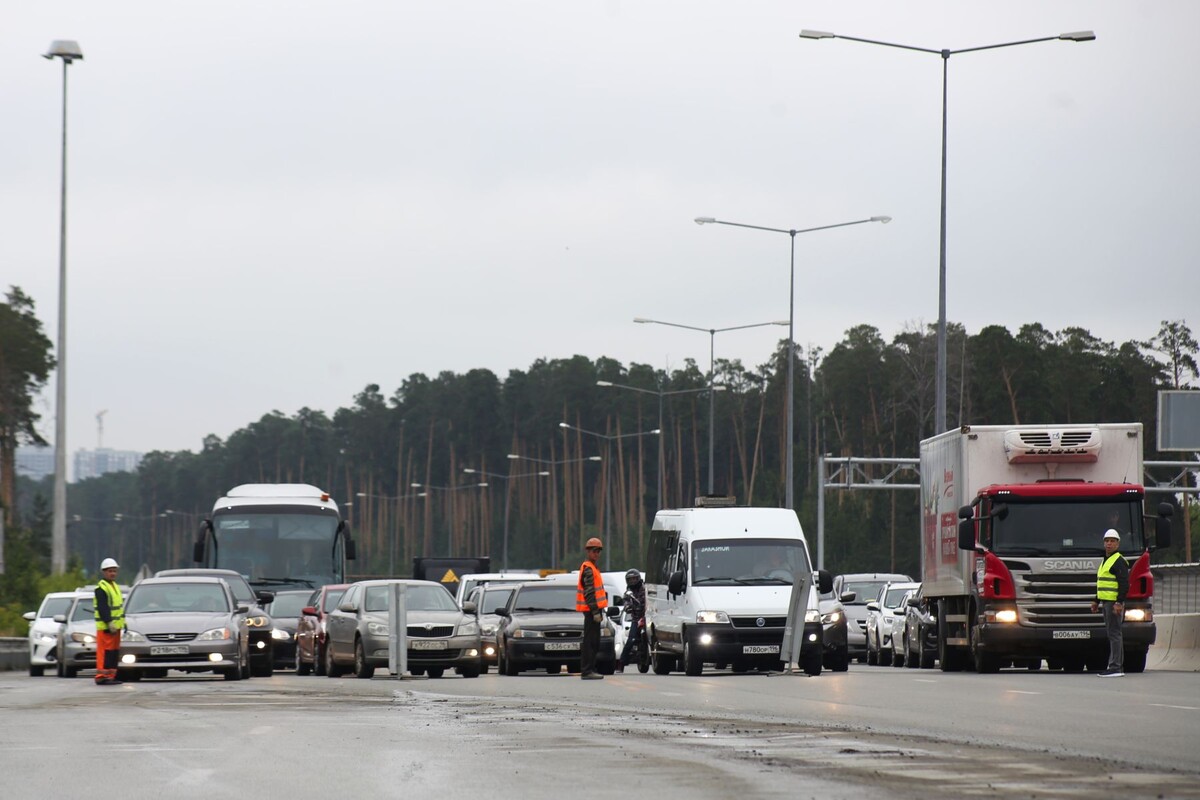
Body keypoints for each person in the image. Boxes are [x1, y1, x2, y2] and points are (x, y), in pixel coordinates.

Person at [1091, 529, 1129, 678]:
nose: (1109, 544)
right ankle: (1115, 666)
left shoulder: (1118, 561)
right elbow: (1103, 583)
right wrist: (1096, 600)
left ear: (1118, 544)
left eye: (1112, 541)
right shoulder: (1105, 560)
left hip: (1113, 603)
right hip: (1106, 602)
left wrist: (1119, 602)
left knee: (1114, 634)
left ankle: (1115, 667)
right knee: (1113, 634)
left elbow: (1124, 584)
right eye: (1107, 541)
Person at [575, 537, 608, 680]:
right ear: (588, 552)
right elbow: (589, 593)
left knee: (594, 641)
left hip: (593, 611)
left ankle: (590, 669)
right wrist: (595, 612)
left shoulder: (593, 568)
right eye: (594, 551)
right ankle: (587, 670)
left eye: (599, 551)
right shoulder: (588, 569)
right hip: (591, 611)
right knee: (590, 642)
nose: (597, 554)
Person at [93, 557, 125, 685]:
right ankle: (102, 676)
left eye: (114, 571)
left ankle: (111, 675)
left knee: (113, 652)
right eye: (110, 571)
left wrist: (123, 623)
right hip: (106, 627)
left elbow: (118, 608)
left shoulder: (114, 586)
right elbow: (103, 607)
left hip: (115, 627)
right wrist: (109, 622)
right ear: (104, 572)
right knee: (105, 652)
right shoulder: (101, 588)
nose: (113, 573)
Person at [617, 569, 646, 673]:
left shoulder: (645, 589)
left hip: (648, 618)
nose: (633, 581)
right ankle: (621, 663)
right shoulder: (628, 593)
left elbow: (652, 600)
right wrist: (628, 607)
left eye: (634, 579)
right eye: (630, 579)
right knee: (630, 640)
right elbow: (626, 602)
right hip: (636, 619)